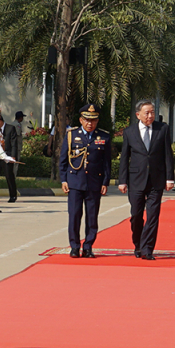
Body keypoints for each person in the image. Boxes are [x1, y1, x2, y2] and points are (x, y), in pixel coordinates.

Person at [118, 100, 174, 260]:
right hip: (136, 180)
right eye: (147, 113)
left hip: (156, 180)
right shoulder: (129, 132)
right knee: (136, 215)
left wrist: (169, 178)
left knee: (153, 216)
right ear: (138, 115)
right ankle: (138, 244)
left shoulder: (162, 129)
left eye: (152, 112)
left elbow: (168, 155)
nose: (150, 116)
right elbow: (124, 158)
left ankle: (147, 249)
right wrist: (122, 180)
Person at [59, 104, 111, 258]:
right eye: (87, 120)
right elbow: (63, 160)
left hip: (94, 182)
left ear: (97, 121)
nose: (90, 123)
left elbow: (106, 162)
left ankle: (88, 246)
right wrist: (63, 180)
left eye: (93, 120)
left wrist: (105, 182)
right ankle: (74, 246)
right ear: (81, 120)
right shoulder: (71, 135)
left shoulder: (104, 137)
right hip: (75, 182)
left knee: (92, 217)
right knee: (74, 216)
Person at [2, 119, 18, 202]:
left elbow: (14, 143)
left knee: (9, 175)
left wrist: (13, 156)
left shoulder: (10, 128)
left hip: (7, 155)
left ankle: (13, 195)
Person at [13, 111, 24, 177]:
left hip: (13, 146)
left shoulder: (13, 123)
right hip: (17, 145)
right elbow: (17, 134)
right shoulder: (17, 125)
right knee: (16, 161)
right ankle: (14, 175)